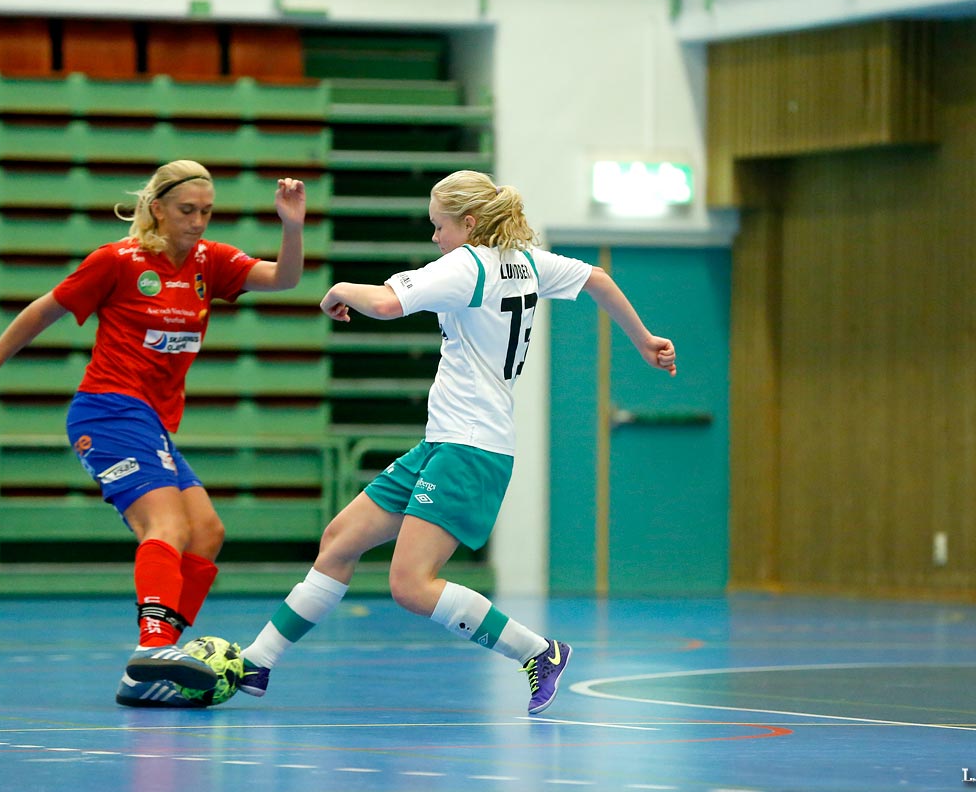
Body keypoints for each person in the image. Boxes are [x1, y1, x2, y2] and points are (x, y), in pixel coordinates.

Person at [237, 170, 677, 716]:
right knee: (340, 540)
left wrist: (338, 290)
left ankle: (539, 650)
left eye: (438, 227)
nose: (434, 238)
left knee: (411, 585)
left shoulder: (467, 265)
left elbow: (386, 304)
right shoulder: (528, 260)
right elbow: (597, 280)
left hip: (470, 447)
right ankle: (257, 660)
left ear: (468, 224)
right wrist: (643, 340)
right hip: (445, 441)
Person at [0, 161, 307, 708]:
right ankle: (154, 647)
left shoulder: (209, 261)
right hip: (107, 411)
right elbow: (42, 312)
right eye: (187, 211)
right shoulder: (116, 262)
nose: (197, 221)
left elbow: (285, 279)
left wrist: (291, 225)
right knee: (166, 524)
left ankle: (150, 667)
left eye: (206, 211)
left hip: (154, 424)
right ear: (157, 208)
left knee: (207, 532)